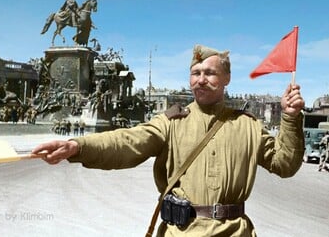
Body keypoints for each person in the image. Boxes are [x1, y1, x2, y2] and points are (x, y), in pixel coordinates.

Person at [32, 44, 305, 236]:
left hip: (234, 233)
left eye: (209, 73)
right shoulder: (172, 122)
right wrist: (78, 147)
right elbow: (128, 141)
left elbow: (285, 164)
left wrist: (290, 118)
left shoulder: (248, 127)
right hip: (180, 233)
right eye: (195, 73)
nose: (200, 80)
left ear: (226, 79)